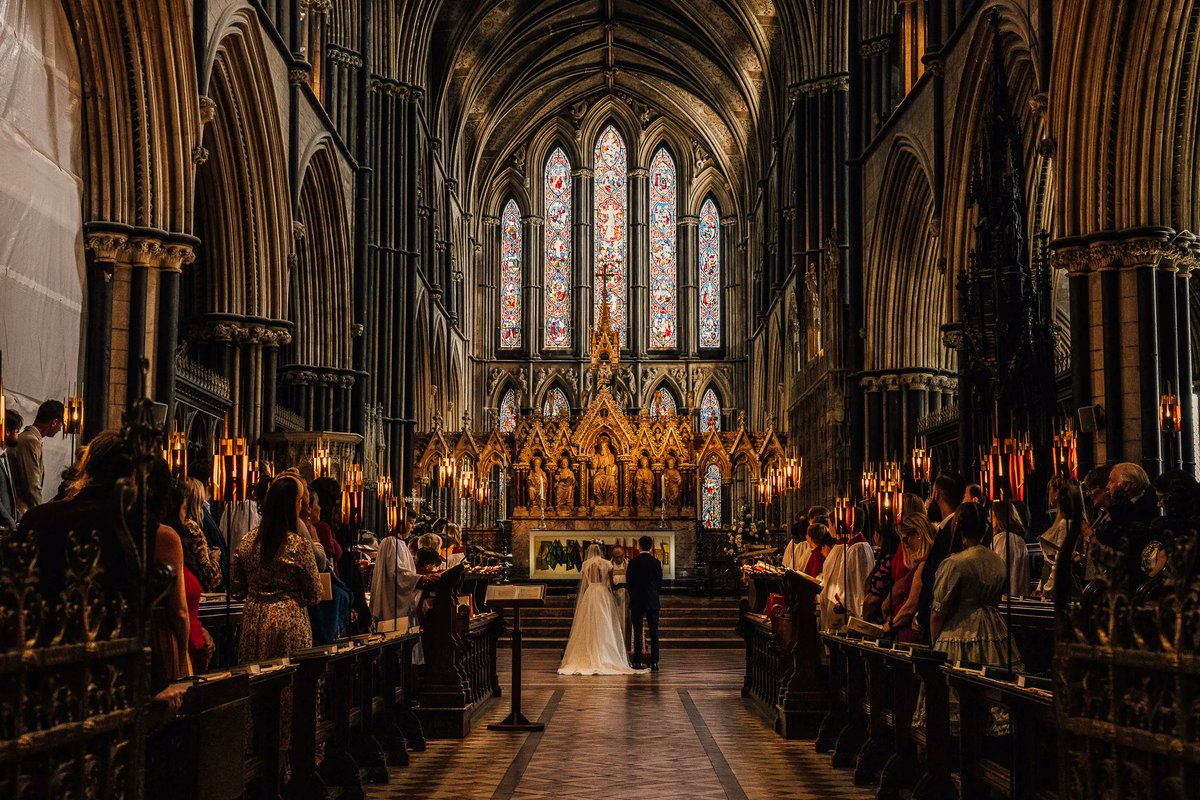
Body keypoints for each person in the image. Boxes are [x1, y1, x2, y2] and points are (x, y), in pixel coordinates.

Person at [230, 475, 323, 662]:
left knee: (256, 681)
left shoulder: (248, 541)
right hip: (288, 623)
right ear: (293, 506)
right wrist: (289, 597)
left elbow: (237, 589)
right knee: (286, 682)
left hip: (253, 622)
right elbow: (315, 593)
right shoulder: (298, 545)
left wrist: (258, 594)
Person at [930, 503, 1023, 671]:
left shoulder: (954, 563)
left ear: (958, 526)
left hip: (959, 633)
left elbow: (938, 612)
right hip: (994, 633)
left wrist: (936, 643)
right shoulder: (997, 561)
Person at [558, 543, 644, 675]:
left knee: (588, 624)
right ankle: (605, 654)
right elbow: (609, 583)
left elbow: (585, 583)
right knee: (605, 624)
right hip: (603, 594)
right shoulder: (606, 564)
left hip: (590, 594)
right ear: (601, 552)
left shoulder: (586, 565)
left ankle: (589, 652)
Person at [1093, 462, 1159, 587]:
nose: (1107, 487)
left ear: (1127, 485)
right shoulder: (1128, 504)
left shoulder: (1145, 508)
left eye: (1112, 481)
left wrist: (1117, 502)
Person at [916, 472, 966, 633]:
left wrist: (922, 616)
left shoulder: (951, 531)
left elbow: (938, 578)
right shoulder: (952, 527)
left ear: (936, 494)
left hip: (944, 624)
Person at [883, 495, 936, 643]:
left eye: (906, 539)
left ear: (919, 535)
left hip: (910, 631)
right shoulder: (920, 564)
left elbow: (912, 605)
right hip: (902, 624)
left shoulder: (924, 566)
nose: (905, 545)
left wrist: (890, 625)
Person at [818, 517, 875, 631]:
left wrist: (843, 602)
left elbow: (858, 581)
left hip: (852, 608)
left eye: (829, 525)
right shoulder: (852, 546)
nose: (829, 530)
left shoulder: (857, 548)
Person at [371, 518, 425, 631]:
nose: (413, 527)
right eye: (410, 522)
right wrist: (420, 578)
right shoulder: (391, 542)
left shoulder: (400, 543)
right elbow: (397, 573)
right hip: (391, 601)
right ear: (400, 521)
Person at [10, 399, 64, 514]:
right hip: (21, 511)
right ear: (54, 422)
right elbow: (32, 486)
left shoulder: (29, 439)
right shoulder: (30, 441)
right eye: (61, 424)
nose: (60, 429)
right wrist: (39, 514)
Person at [1034, 475, 1078, 598]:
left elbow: (1060, 561)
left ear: (1057, 493)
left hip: (1058, 587)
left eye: (1050, 491)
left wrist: (1047, 590)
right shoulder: (1059, 521)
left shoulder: (1065, 523)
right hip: (1050, 580)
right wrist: (1040, 586)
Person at [178, 478, 223, 592]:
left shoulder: (178, 525)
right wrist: (214, 559)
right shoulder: (192, 528)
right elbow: (209, 576)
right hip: (198, 590)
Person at [626, 534, 663, 670]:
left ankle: (637, 661)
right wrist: (653, 594)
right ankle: (654, 662)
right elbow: (659, 583)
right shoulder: (656, 563)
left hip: (637, 600)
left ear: (639, 546)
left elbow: (630, 583)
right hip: (652, 600)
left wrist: (634, 594)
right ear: (651, 546)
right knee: (654, 632)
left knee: (637, 630)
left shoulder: (633, 563)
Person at [990, 500, 1031, 597]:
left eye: (991, 515)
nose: (989, 519)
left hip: (1005, 600)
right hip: (1020, 598)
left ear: (998, 517)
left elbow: (999, 573)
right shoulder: (1020, 540)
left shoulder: (1001, 540)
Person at [0, 409, 23, 529]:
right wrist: (10, 523)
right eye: (17, 431)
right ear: (7, 432)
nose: (18, 435)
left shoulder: (5, 455)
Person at [610, 543, 630, 648]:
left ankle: (623, 642)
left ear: (624, 555)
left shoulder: (628, 564)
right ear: (612, 556)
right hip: (612, 598)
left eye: (620, 556)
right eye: (616, 557)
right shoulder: (609, 565)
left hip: (625, 598)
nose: (618, 559)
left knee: (624, 619)